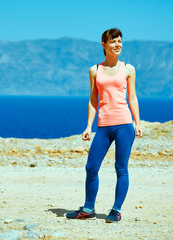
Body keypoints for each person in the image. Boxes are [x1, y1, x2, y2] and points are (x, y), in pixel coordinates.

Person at [66, 28, 143, 223]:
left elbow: (132, 97)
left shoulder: (128, 69)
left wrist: (138, 122)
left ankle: (116, 210)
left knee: (121, 168)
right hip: (103, 125)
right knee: (91, 167)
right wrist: (88, 127)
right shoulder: (95, 70)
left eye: (120, 41)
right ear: (104, 45)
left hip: (124, 125)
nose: (118, 45)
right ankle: (88, 208)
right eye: (113, 41)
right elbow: (93, 99)